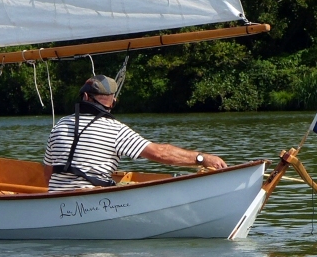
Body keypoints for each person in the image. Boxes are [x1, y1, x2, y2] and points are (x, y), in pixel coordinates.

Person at [43, 75, 226, 191]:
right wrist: (202, 159)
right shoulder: (115, 130)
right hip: (92, 202)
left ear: (84, 97)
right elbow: (160, 153)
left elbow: (48, 172)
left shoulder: (60, 124)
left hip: (57, 199)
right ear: (113, 101)